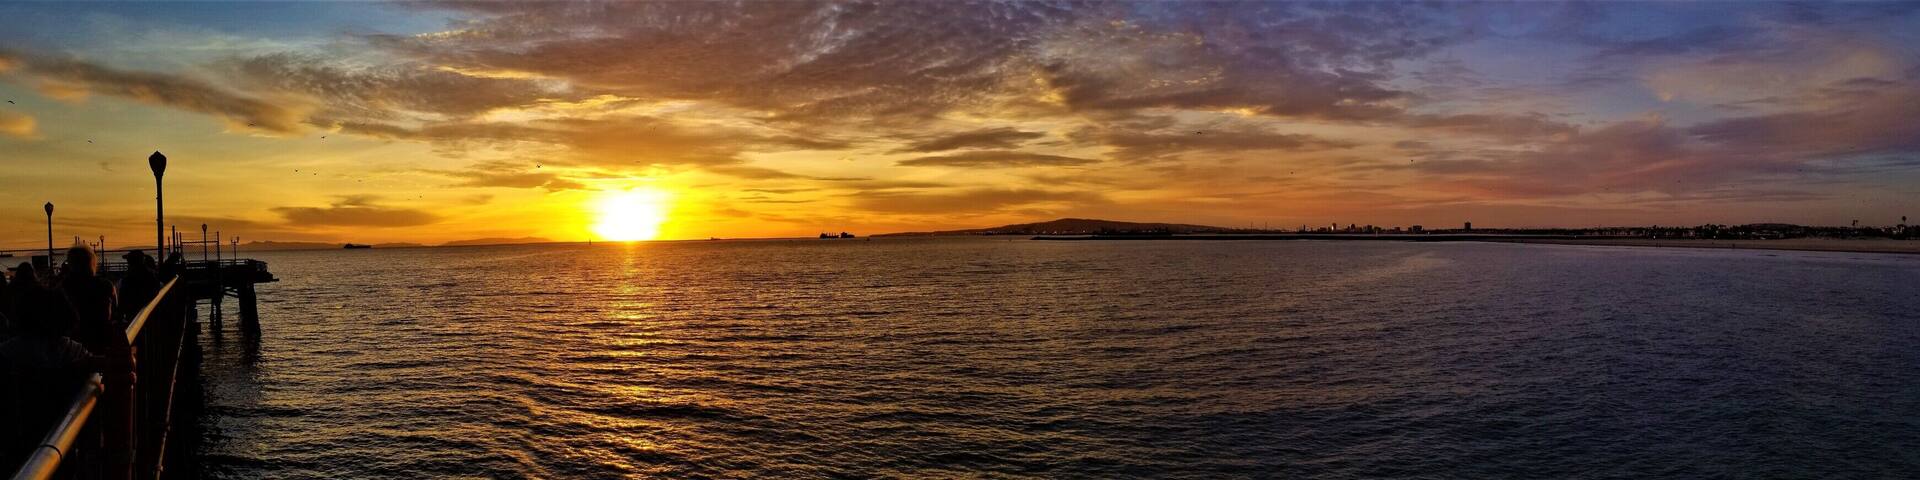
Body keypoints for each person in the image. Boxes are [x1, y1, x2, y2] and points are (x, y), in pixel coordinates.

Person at [56, 241, 119, 356]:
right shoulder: (106, 285)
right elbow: (115, 313)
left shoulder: (64, 287)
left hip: (74, 343)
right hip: (101, 340)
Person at [117, 250, 162, 321]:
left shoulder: (129, 279)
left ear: (132, 263)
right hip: (151, 314)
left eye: (129, 261)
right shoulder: (152, 275)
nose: (128, 263)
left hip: (134, 316)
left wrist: (119, 317)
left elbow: (123, 300)